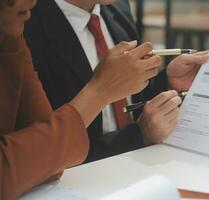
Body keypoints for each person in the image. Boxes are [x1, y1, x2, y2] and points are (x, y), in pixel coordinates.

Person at [0, 0, 163, 198]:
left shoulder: (13, 30)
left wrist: (169, 82)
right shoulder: (30, 23)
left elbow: (49, 160)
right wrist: (99, 92)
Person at [24, 0, 209, 162]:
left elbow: (131, 101)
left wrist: (168, 83)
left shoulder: (117, 8)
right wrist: (139, 135)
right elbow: (47, 152)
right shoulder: (24, 26)